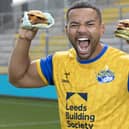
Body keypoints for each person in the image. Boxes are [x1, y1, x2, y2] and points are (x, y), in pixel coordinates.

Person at [8, 1, 129, 129]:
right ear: (66, 30)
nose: (82, 30)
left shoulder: (124, 63)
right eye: (74, 25)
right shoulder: (58, 62)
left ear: (101, 29)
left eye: (90, 24)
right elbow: (18, 78)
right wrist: (24, 38)